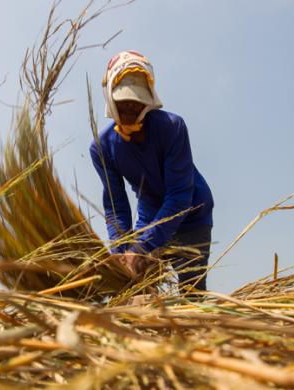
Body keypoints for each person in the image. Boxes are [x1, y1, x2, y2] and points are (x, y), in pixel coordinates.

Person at [89, 50, 215, 292]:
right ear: (109, 99)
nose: (128, 109)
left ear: (148, 102)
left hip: (193, 215)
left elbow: (179, 196)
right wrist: (122, 251)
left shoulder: (171, 128)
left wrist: (141, 247)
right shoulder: (102, 148)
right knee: (135, 287)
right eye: (122, 103)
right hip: (150, 218)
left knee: (192, 293)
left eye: (135, 103)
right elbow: (116, 207)